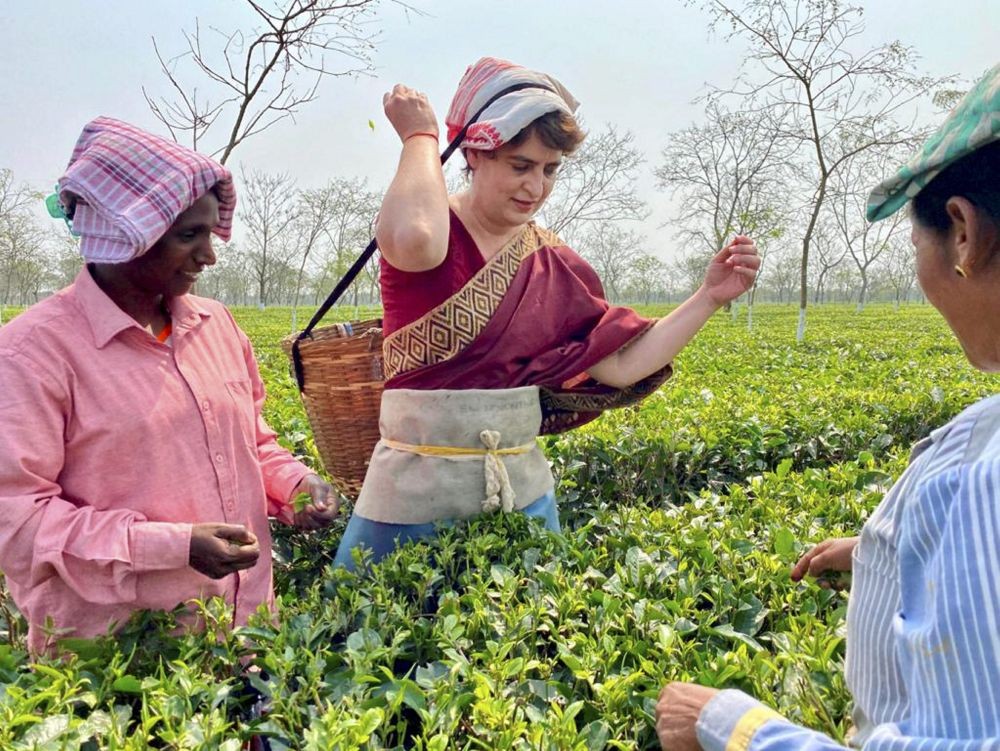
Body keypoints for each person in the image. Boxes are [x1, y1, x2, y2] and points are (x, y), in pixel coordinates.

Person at [655, 64, 1000, 751]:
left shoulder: (980, 479)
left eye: (916, 244)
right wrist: (884, 554)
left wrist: (733, 726)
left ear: (962, 231)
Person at [333, 57, 760, 568]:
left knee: (532, 615)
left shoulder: (552, 261)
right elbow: (414, 240)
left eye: (549, 169)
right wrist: (420, 137)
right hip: (411, 489)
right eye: (520, 166)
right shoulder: (433, 224)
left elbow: (619, 364)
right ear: (475, 152)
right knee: (377, 617)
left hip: (521, 490)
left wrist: (708, 297)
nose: (535, 187)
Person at [0, 117, 338, 654]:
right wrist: (170, 547)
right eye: (188, 236)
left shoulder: (217, 325)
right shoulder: (31, 354)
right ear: (123, 235)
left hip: (248, 634)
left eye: (209, 233)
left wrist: (294, 485)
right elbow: (18, 523)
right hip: (121, 664)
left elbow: (250, 443)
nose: (209, 255)